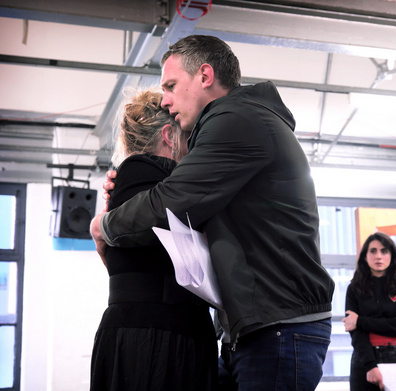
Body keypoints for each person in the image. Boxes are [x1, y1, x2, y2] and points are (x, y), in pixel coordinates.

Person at [90, 35, 335, 391]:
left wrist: (106, 226)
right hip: (260, 325)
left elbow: (172, 200)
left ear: (205, 76)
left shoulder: (235, 118)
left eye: (171, 86)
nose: (166, 99)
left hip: (279, 326)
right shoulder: (237, 121)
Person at [90, 88, 217, 391]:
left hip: (143, 331)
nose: (193, 144)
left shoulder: (129, 184)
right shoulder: (152, 176)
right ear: (169, 135)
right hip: (159, 336)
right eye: (187, 133)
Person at [343, 232, 396, 391]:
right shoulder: (354, 288)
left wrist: (360, 321)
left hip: (395, 354)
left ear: (392, 255)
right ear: (365, 256)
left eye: (384, 251)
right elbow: (354, 332)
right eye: (373, 251)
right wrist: (370, 366)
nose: (378, 256)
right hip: (364, 357)